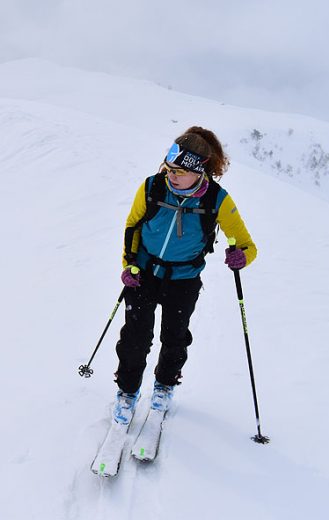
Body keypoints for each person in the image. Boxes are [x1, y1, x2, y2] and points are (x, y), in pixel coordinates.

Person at [111, 126, 257, 425]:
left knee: (175, 338)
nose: (171, 175)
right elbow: (132, 227)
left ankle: (164, 385)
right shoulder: (152, 187)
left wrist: (241, 256)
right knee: (134, 338)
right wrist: (128, 264)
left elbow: (246, 244)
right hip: (144, 273)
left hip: (184, 279)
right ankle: (127, 391)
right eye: (169, 168)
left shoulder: (217, 200)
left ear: (199, 170)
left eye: (179, 171)